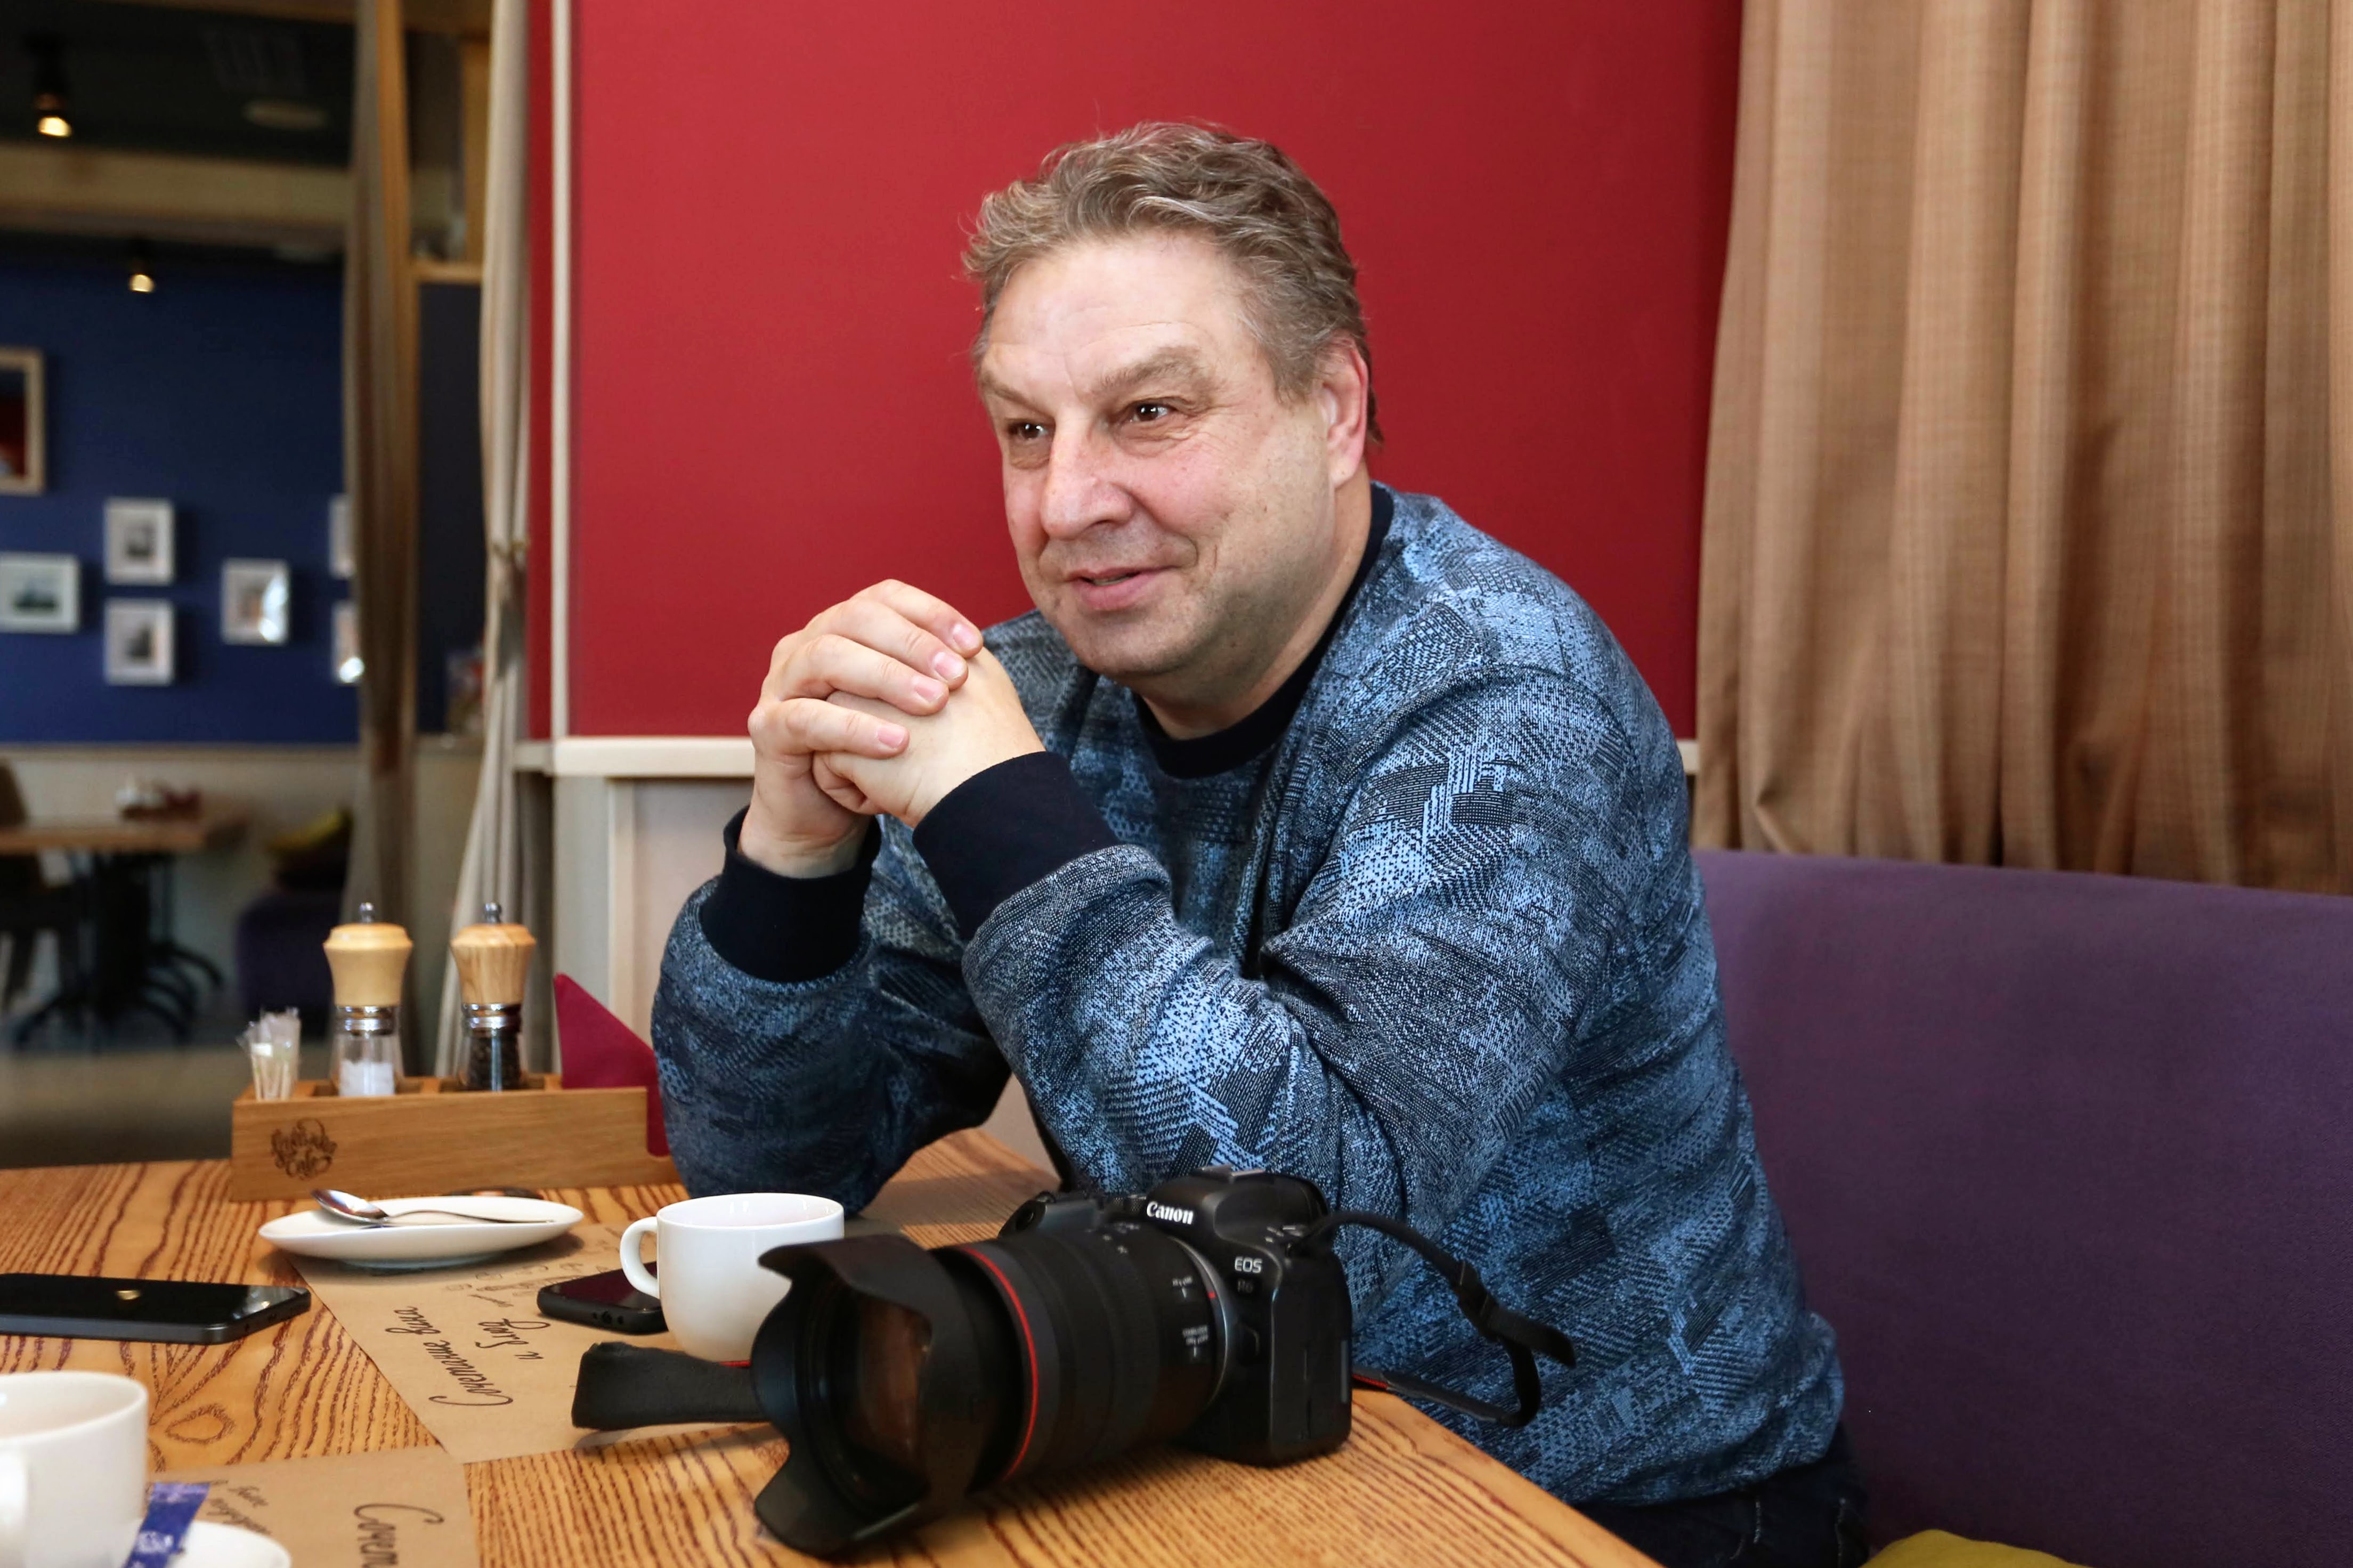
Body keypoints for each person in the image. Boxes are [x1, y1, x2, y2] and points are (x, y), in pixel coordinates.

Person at [653, 123, 1861, 1568]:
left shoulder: (1506, 695)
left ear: (1334, 408)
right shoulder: (1033, 695)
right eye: (1026, 430)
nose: (1065, 502)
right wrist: (790, 862)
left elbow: (1316, 1226)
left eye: (1149, 412)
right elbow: (769, 1173)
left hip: (1619, 1501)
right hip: (1236, 1461)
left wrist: (1001, 818)